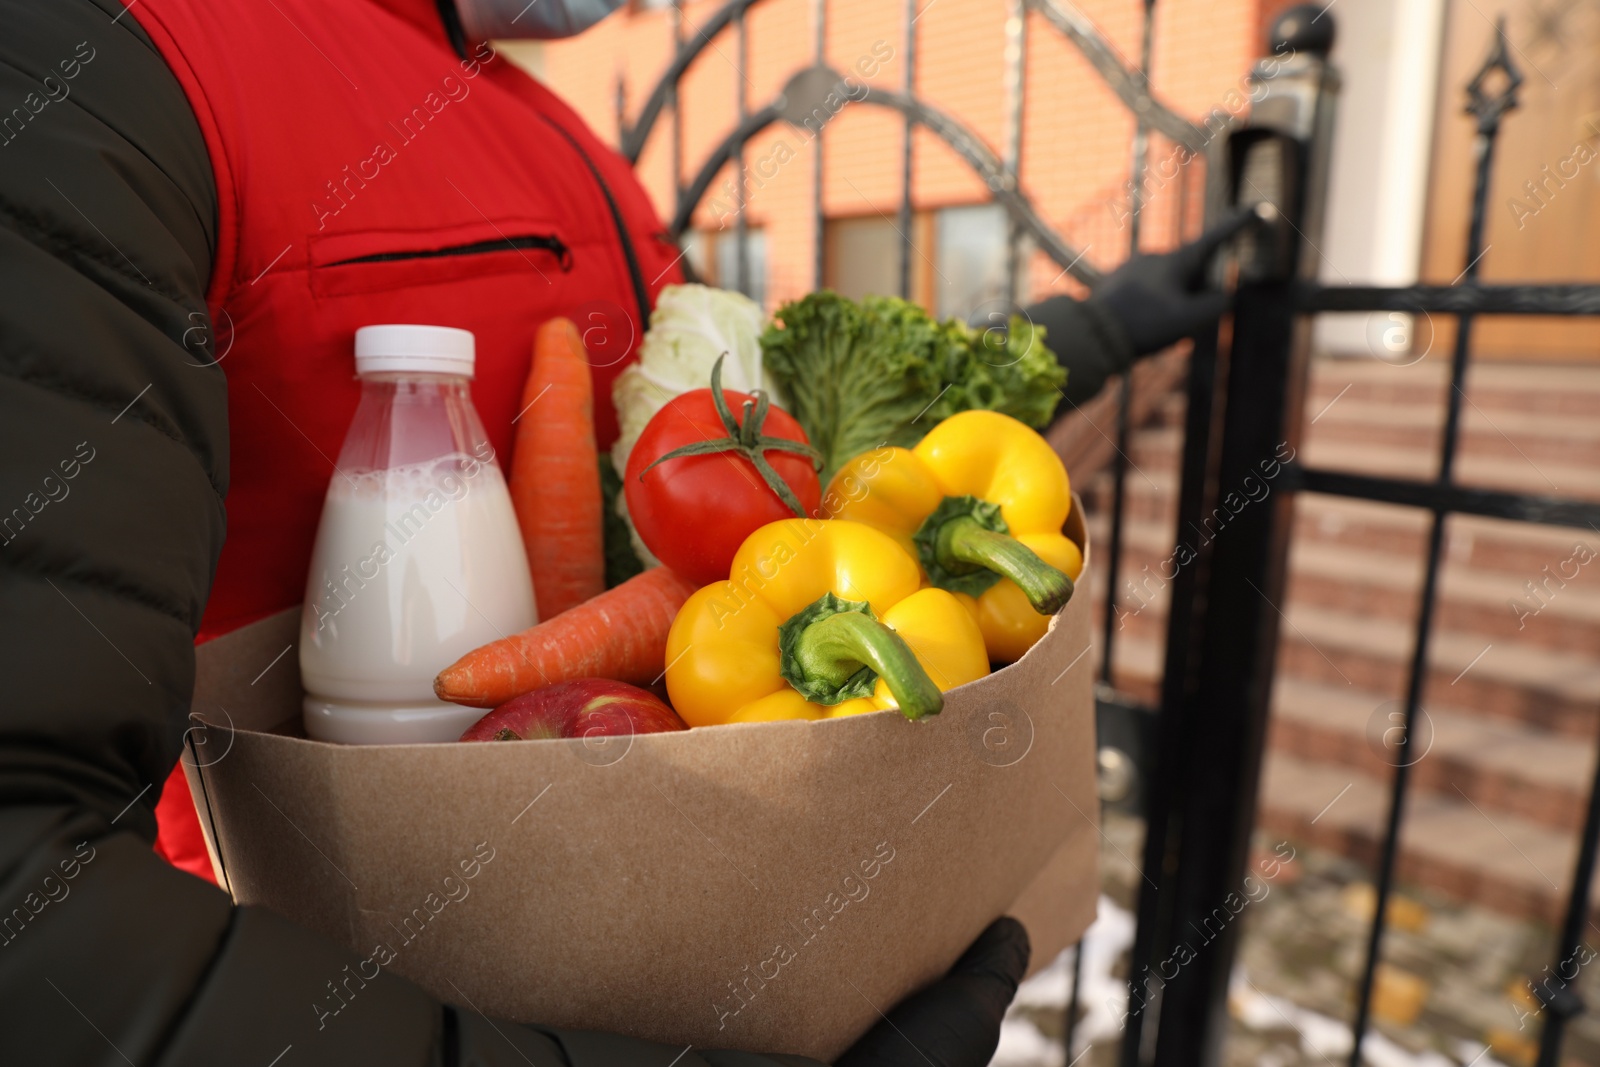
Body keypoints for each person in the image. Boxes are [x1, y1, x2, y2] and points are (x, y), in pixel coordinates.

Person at [0, 1, 1244, 1063]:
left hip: (676, 914)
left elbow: (769, 448)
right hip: (346, 953)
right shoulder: (100, 57)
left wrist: (1097, 332)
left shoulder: (554, 127)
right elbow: (34, 903)